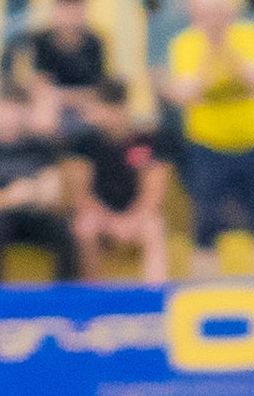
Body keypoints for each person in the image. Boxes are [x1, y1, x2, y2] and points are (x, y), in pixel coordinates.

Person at [158, 0, 254, 257]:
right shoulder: (186, 43)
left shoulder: (249, 35)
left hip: (252, 143)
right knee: (205, 226)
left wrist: (224, 45)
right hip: (209, 146)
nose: (213, 18)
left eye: (219, 11)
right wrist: (210, 50)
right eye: (206, 12)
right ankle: (204, 293)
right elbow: (187, 91)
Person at [0, 85, 79, 283]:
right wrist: (11, 196)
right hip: (0, 217)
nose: (12, 117)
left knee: (65, 231)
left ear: (27, 111)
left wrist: (32, 195)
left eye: (17, 110)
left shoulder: (42, 146)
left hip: (34, 215)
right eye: (7, 109)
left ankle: (63, 300)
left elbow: (51, 195)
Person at [67, 89, 175, 284]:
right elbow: (81, 194)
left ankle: (155, 295)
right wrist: (110, 220)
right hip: (100, 214)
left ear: (125, 109)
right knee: (84, 227)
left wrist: (131, 219)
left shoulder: (146, 141)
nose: (111, 116)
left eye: (116, 109)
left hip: (136, 213)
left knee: (155, 227)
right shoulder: (85, 143)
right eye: (106, 109)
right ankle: (94, 296)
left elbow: (153, 193)